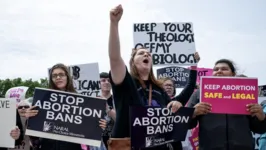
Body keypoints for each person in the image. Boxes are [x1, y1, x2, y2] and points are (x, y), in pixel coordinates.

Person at [107, 4, 189, 150]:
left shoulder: (159, 89)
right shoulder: (126, 82)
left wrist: (177, 106)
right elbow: (114, 58)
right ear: (132, 61)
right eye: (141, 53)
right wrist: (114, 24)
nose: (146, 54)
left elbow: (171, 117)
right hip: (129, 144)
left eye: (149, 54)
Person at [187, 59, 266, 150]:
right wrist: (193, 112)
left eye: (224, 69)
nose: (219, 71)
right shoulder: (199, 93)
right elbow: (186, 124)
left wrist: (262, 117)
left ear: (233, 74)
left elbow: (260, 129)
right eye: (216, 69)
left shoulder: (245, 92)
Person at [25, 63, 83, 150]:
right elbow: (35, 134)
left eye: (61, 75)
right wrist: (29, 119)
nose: (58, 77)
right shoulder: (43, 99)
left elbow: (87, 127)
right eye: (54, 75)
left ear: (67, 77)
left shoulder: (79, 100)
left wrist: (97, 124)